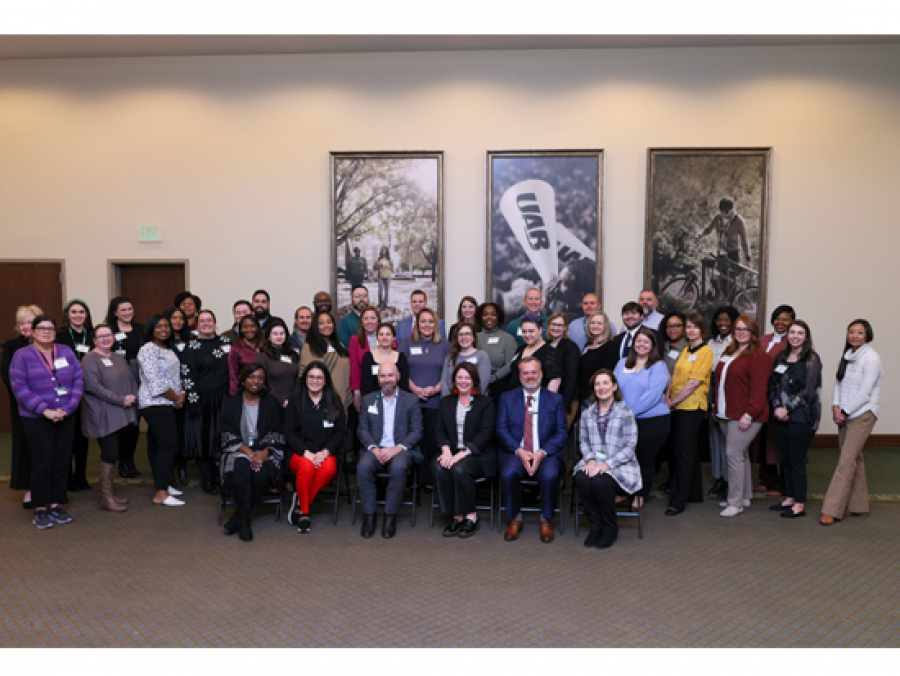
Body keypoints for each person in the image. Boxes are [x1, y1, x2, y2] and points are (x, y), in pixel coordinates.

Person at [10, 314, 83, 529]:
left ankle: (56, 504)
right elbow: (19, 387)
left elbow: (78, 379)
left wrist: (68, 408)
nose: (46, 332)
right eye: (42, 328)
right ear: (33, 332)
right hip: (37, 418)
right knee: (43, 462)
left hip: (65, 416)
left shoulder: (65, 351)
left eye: (50, 329)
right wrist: (45, 410)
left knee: (62, 461)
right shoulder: (22, 355)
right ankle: (40, 507)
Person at [496, 357, 568, 543]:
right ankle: (515, 517)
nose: (530, 376)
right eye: (525, 373)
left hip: (546, 452)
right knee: (508, 473)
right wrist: (520, 451)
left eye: (533, 372)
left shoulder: (555, 399)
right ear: (520, 375)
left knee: (550, 475)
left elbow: (561, 433)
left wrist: (541, 453)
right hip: (516, 451)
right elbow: (501, 430)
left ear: (541, 374)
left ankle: (546, 518)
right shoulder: (507, 398)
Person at [820, 319, 882, 526]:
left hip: (863, 414)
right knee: (854, 458)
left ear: (867, 335)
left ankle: (832, 509)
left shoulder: (871, 358)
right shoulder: (847, 355)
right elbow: (839, 383)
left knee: (845, 461)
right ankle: (858, 505)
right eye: (851, 332)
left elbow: (865, 392)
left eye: (860, 332)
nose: (855, 336)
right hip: (845, 414)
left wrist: (844, 411)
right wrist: (835, 407)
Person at [575, 369, 641, 549]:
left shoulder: (625, 413)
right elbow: (584, 442)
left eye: (605, 383)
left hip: (621, 466)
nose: (601, 387)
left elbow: (629, 447)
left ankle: (610, 528)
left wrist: (606, 465)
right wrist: (590, 460)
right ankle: (595, 526)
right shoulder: (587, 414)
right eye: (597, 384)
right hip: (594, 463)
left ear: (614, 386)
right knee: (581, 478)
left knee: (600, 482)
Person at [356, 361, 423, 539]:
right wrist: (374, 448)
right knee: (363, 466)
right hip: (375, 449)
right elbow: (362, 430)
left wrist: (396, 449)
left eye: (390, 375)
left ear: (398, 376)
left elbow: (417, 431)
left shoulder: (411, 400)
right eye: (383, 376)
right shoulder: (369, 400)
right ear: (378, 378)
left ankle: (390, 516)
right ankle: (369, 515)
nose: (387, 380)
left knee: (399, 467)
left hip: (400, 450)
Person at [219, 363, 286, 542]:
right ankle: (243, 521)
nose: (255, 381)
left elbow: (278, 432)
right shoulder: (232, 403)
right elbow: (226, 433)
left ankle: (238, 518)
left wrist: (264, 453)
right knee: (241, 470)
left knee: (260, 476)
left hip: (265, 452)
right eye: (251, 377)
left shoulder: (272, 403)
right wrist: (248, 452)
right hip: (238, 450)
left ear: (264, 382)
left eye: (260, 378)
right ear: (243, 379)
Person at [712, 315, 770, 517]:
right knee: (741, 455)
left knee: (733, 455)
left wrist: (749, 414)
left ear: (753, 333)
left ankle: (735, 503)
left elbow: (759, 389)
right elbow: (721, 382)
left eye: (745, 329)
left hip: (746, 414)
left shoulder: (759, 356)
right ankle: (744, 496)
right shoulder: (729, 351)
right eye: (738, 329)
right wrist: (716, 407)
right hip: (726, 412)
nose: (741, 332)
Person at [434, 362, 496, 538]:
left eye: (467, 378)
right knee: (438, 466)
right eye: (459, 377)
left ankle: (471, 515)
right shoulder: (446, 402)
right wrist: (446, 451)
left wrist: (463, 454)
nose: (463, 381)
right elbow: (439, 430)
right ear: (454, 380)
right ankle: (456, 515)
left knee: (460, 469)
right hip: (452, 451)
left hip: (478, 454)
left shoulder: (485, 402)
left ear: (474, 380)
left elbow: (486, 433)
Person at [80, 323, 138, 512]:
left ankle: (110, 494)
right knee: (110, 452)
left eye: (109, 335)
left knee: (115, 452)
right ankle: (106, 497)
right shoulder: (89, 359)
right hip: (102, 413)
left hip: (120, 411)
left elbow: (131, 379)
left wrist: (133, 396)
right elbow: (93, 387)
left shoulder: (118, 358)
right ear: (94, 340)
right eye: (101, 336)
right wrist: (121, 399)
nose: (106, 339)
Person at [768, 320, 822, 519]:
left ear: (806, 337)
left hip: (802, 416)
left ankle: (799, 503)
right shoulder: (782, 357)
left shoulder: (812, 359)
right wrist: (776, 406)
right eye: (792, 332)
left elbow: (808, 391)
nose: (795, 336)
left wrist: (787, 408)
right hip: (780, 416)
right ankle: (790, 498)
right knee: (786, 459)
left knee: (797, 460)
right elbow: (773, 384)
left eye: (800, 333)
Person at [284, 362, 346, 534]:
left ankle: (300, 500)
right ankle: (304, 513)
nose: (315, 381)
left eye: (319, 377)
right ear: (305, 379)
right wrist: (306, 452)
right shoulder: (294, 401)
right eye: (311, 377)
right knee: (307, 466)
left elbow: (340, 432)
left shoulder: (334, 402)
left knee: (329, 468)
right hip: (299, 452)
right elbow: (288, 432)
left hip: (325, 451)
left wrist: (325, 452)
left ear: (325, 381)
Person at [614, 327, 671, 509]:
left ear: (652, 345)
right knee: (625, 457)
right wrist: (622, 411)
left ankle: (640, 495)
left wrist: (630, 412)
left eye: (646, 341)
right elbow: (615, 388)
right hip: (625, 418)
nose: (642, 344)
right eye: (639, 341)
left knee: (644, 458)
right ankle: (624, 491)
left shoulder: (659, 366)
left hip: (652, 420)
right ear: (633, 344)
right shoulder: (622, 363)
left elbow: (653, 395)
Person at [664, 313, 713, 515]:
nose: (691, 330)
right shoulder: (685, 349)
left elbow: (693, 382)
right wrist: (668, 397)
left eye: (695, 327)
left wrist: (674, 401)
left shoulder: (705, 351)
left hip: (692, 407)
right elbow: (674, 377)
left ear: (702, 330)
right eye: (689, 327)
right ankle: (694, 493)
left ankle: (678, 500)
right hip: (677, 405)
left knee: (683, 453)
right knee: (688, 451)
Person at [179, 309, 231, 494]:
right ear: (197, 325)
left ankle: (220, 477)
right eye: (202, 321)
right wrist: (193, 402)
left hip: (224, 401)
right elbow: (187, 376)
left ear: (215, 323)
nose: (206, 324)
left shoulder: (226, 343)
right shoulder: (190, 347)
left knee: (221, 440)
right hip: (201, 402)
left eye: (209, 320)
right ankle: (207, 480)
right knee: (203, 441)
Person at [137, 314, 186, 507]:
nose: (163, 329)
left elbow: (176, 376)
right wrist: (176, 398)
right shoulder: (147, 349)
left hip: (168, 402)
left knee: (156, 444)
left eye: (166, 326)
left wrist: (181, 393)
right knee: (168, 445)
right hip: (154, 403)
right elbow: (155, 382)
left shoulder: (169, 348)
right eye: (158, 326)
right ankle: (161, 493)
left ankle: (161, 482)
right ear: (151, 329)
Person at [399, 307, 450, 488]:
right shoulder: (407, 343)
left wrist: (435, 389)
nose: (427, 325)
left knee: (431, 441)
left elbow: (449, 373)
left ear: (435, 324)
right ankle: (412, 480)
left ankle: (429, 480)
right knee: (412, 440)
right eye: (423, 321)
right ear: (417, 324)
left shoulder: (445, 345)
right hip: (411, 401)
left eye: (430, 321)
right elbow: (401, 370)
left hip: (436, 402)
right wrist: (415, 389)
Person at [2, 304, 43, 508]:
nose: (26, 326)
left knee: (46, 448)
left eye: (30, 322)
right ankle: (30, 488)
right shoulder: (12, 347)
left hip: (49, 406)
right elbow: (8, 379)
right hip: (23, 407)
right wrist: (30, 400)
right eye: (22, 323)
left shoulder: (50, 345)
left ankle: (49, 488)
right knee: (26, 448)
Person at [756, 304, 796, 496]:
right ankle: (766, 479)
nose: (780, 322)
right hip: (762, 396)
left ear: (792, 322)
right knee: (763, 439)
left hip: (780, 397)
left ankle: (782, 484)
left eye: (785, 319)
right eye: (777, 318)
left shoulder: (792, 342)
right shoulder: (764, 340)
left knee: (779, 440)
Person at [55, 299, 94, 492]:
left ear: (86, 315)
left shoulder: (92, 336)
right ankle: (67, 477)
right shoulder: (60, 336)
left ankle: (81, 476)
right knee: (68, 435)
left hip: (90, 390)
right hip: (67, 390)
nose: (78, 315)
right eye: (74, 312)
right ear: (67, 315)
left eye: (81, 312)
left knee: (82, 436)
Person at [105, 296, 144, 479]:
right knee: (121, 423)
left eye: (130, 309)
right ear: (115, 312)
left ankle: (129, 460)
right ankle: (119, 461)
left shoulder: (140, 329)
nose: (127, 313)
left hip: (137, 380)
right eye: (123, 310)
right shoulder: (109, 331)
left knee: (134, 423)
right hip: (116, 380)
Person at [706, 305, 740, 498]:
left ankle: (731, 480)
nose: (723, 323)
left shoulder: (737, 342)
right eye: (720, 320)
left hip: (729, 391)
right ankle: (719, 477)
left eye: (727, 320)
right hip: (712, 390)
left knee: (730, 439)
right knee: (715, 437)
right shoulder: (711, 342)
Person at [497, 313, 561, 396]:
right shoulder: (521, 348)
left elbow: (555, 381)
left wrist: (546, 402)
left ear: (540, 330)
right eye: (524, 331)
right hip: (514, 398)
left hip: (534, 400)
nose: (527, 335)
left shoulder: (550, 352)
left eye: (531, 331)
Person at [299, 312, 351, 411]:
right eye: (321, 323)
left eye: (329, 322)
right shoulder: (309, 347)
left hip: (342, 397)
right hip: (320, 400)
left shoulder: (339, 346)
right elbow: (304, 375)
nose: (326, 325)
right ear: (316, 327)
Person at [475, 302, 518, 398]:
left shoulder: (508, 338)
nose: (489, 317)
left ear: (498, 318)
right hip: (476, 384)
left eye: (493, 314)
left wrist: (492, 378)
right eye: (485, 314)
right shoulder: (474, 338)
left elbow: (510, 364)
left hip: (500, 385)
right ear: (480, 318)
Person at [254, 318, 300, 406]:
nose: (279, 337)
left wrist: (293, 399)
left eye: (282, 333)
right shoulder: (262, 356)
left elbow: (298, 379)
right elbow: (262, 382)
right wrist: (281, 400)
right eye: (275, 334)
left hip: (293, 402)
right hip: (271, 402)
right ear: (268, 336)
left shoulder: (293, 354)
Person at [545, 312, 580, 426]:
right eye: (553, 324)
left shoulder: (570, 347)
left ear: (565, 328)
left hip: (566, 399)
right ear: (549, 325)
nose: (556, 328)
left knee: (562, 432)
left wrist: (566, 405)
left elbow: (572, 377)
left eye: (559, 325)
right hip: (549, 399)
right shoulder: (545, 345)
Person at [439, 322, 491, 397]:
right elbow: (444, 381)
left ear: (473, 337)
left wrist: (466, 401)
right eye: (460, 334)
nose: (464, 337)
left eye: (467, 334)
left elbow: (482, 384)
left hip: (475, 400)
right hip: (452, 399)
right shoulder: (450, 357)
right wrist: (449, 400)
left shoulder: (482, 356)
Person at [360, 323, 409, 396]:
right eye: (381, 334)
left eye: (388, 334)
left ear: (394, 338)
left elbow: (404, 384)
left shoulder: (401, 357)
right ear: (377, 337)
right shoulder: (368, 357)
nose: (384, 337)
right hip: (374, 399)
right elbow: (366, 385)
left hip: (397, 399)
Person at [349, 306, 383, 411]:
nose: (369, 322)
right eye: (366, 318)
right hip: (365, 387)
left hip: (386, 385)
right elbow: (354, 367)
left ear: (378, 320)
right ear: (361, 322)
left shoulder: (387, 338)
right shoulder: (355, 340)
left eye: (373, 318)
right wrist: (356, 391)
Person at [228, 314, 263, 396]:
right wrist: (233, 394)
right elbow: (233, 375)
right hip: (244, 392)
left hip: (263, 391)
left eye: (252, 326)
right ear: (241, 329)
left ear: (257, 328)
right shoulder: (236, 349)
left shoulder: (263, 346)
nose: (249, 330)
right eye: (245, 327)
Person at [337, 285, 370, 349]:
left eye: (364, 296)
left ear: (368, 299)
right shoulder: (344, 322)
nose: (361, 299)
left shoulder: (374, 321)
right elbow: (346, 348)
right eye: (357, 296)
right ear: (351, 300)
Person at [659, 311, 688, 375]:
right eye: (669, 326)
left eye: (676, 325)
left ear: (684, 327)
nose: (672, 329)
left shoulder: (689, 348)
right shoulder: (660, 346)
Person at [374, 245, 394, 310]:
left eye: (384, 250)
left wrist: (388, 267)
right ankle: (380, 303)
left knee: (387, 291)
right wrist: (379, 266)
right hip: (380, 276)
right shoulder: (378, 259)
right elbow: (374, 267)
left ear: (386, 251)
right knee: (380, 290)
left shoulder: (389, 259)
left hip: (388, 276)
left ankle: (385, 304)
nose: (383, 251)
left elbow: (392, 267)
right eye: (382, 250)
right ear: (380, 251)